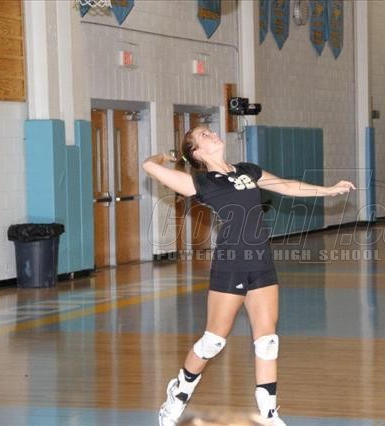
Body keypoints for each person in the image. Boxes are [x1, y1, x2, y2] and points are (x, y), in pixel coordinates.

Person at [143, 125, 356, 426]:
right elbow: (148, 166)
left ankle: (269, 415)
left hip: (261, 262)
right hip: (231, 264)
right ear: (197, 152)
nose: (212, 133)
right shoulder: (200, 182)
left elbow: (285, 185)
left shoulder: (247, 170)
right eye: (204, 135)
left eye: (210, 130)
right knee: (213, 341)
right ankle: (178, 393)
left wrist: (328, 190)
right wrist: (164, 156)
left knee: (267, 341)